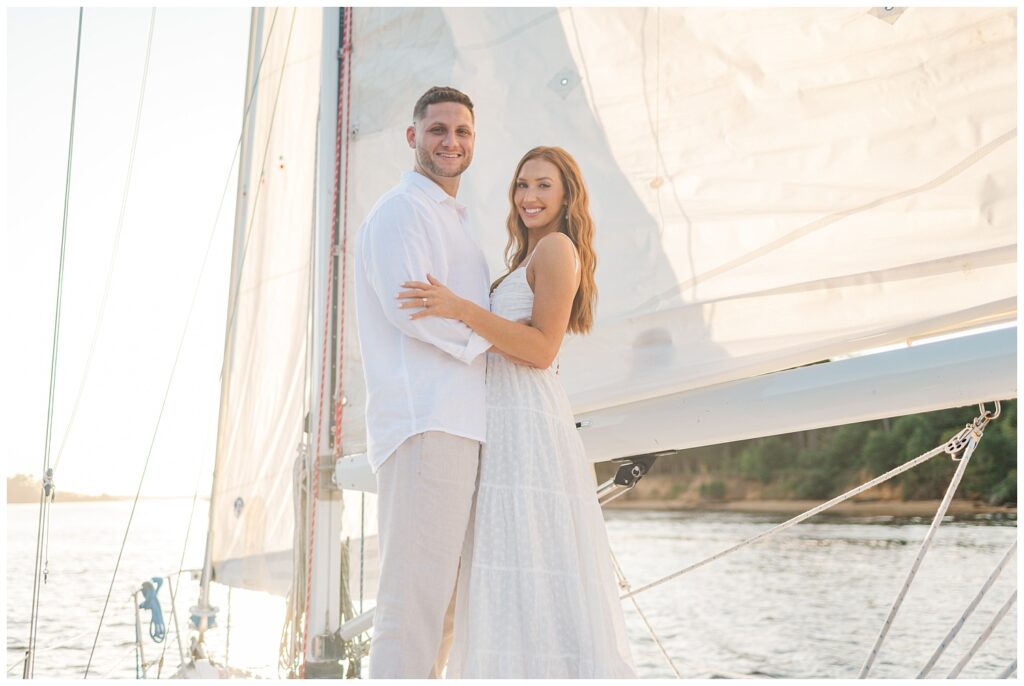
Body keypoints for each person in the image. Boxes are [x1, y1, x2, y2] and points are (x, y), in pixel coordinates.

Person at [397, 146, 636, 678]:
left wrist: (460, 309)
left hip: (528, 422)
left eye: (543, 185)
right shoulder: (522, 261)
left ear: (566, 194)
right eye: (522, 185)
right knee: (492, 560)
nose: (529, 196)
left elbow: (542, 349)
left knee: (527, 556)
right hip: (500, 419)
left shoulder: (556, 249)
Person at [354, 86, 495, 678]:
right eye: (438, 130)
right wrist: (496, 331)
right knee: (412, 606)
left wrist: (476, 319)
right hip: (425, 424)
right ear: (413, 137)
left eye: (461, 132)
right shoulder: (401, 212)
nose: (451, 142)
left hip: (459, 424)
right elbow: (412, 309)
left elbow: (451, 308)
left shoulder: (452, 220)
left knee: (445, 611)